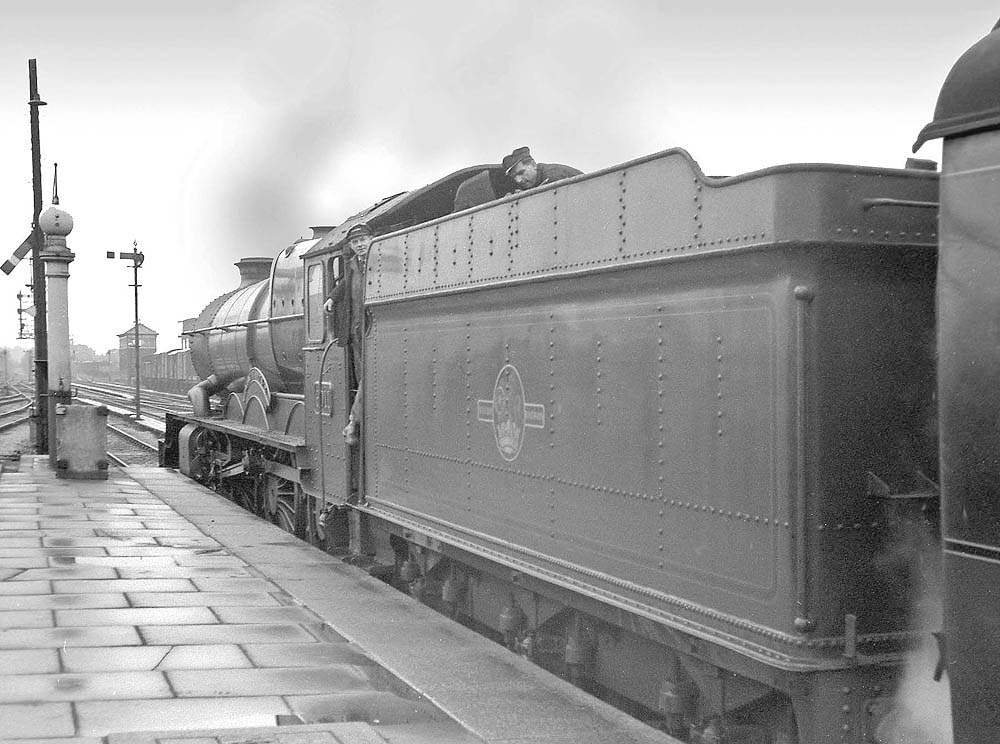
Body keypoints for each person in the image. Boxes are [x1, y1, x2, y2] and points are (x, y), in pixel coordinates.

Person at [324, 222, 372, 445]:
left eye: (363, 240)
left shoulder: (378, 260)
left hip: (371, 328)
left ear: (371, 239)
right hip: (356, 330)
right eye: (355, 242)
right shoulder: (354, 264)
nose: (360, 245)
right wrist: (332, 297)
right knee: (363, 376)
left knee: (368, 377)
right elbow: (346, 284)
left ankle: (354, 420)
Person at [501, 147, 582, 194]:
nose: (518, 180)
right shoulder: (532, 181)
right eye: (514, 177)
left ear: (533, 164)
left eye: (521, 173)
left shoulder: (553, 176)